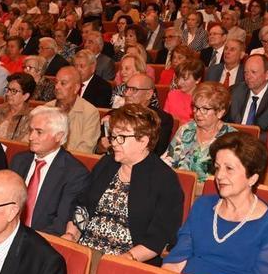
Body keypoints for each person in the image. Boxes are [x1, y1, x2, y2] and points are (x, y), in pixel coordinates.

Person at [164, 132, 268, 274]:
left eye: (229, 168)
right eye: (217, 168)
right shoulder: (203, 206)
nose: (219, 176)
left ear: (252, 178)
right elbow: (175, 262)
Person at [63, 104, 183, 265]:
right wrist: (71, 236)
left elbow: (158, 237)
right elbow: (82, 204)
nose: (114, 143)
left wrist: (124, 260)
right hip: (86, 250)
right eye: (113, 136)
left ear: (143, 141)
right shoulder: (107, 163)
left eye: (122, 137)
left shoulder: (165, 180)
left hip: (129, 260)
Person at [9, 106, 88, 235]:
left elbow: (59, 225)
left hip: (41, 240)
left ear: (59, 136)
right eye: (31, 130)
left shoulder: (74, 173)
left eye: (39, 132)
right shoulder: (19, 161)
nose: (31, 137)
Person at [162, 82, 237, 182]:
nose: (197, 113)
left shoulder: (231, 138)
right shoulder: (186, 129)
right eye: (196, 107)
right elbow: (166, 162)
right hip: (178, 187)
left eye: (205, 109)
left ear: (220, 112)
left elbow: (232, 177)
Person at [227, 55, 268, 140]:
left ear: (267, 74)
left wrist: (243, 142)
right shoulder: (235, 91)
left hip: (259, 147)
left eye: (253, 72)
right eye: (246, 72)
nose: (248, 76)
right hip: (232, 142)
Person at [46, 66, 100, 153]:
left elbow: (85, 149)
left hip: (71, 163)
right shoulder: (46, 108)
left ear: (76, 88)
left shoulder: (90, 112)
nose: (57, 87)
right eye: (56, 82)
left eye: (63, 83)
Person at [0, 72, 35, 142]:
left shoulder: (30, 116)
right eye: (8, 89)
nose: (8, 93)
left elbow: (20, 145)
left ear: (25, 96)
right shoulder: (0, 108)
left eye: (14, 91)